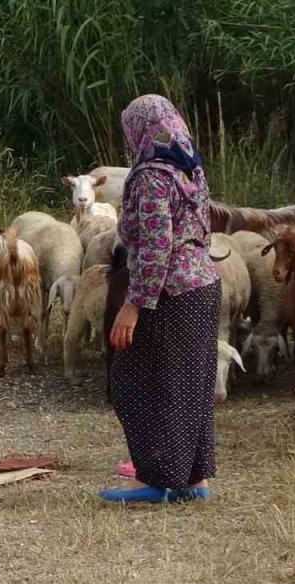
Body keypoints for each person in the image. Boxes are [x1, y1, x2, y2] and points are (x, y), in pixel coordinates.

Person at [101, 94, 219, 504]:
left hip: (169, 293)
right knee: (190, 384)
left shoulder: (150, 176)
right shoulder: (190, 168)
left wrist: (132, 305)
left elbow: (155, 247)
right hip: (203, 286)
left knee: (132, 380)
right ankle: (194, 478)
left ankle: (154, 478)